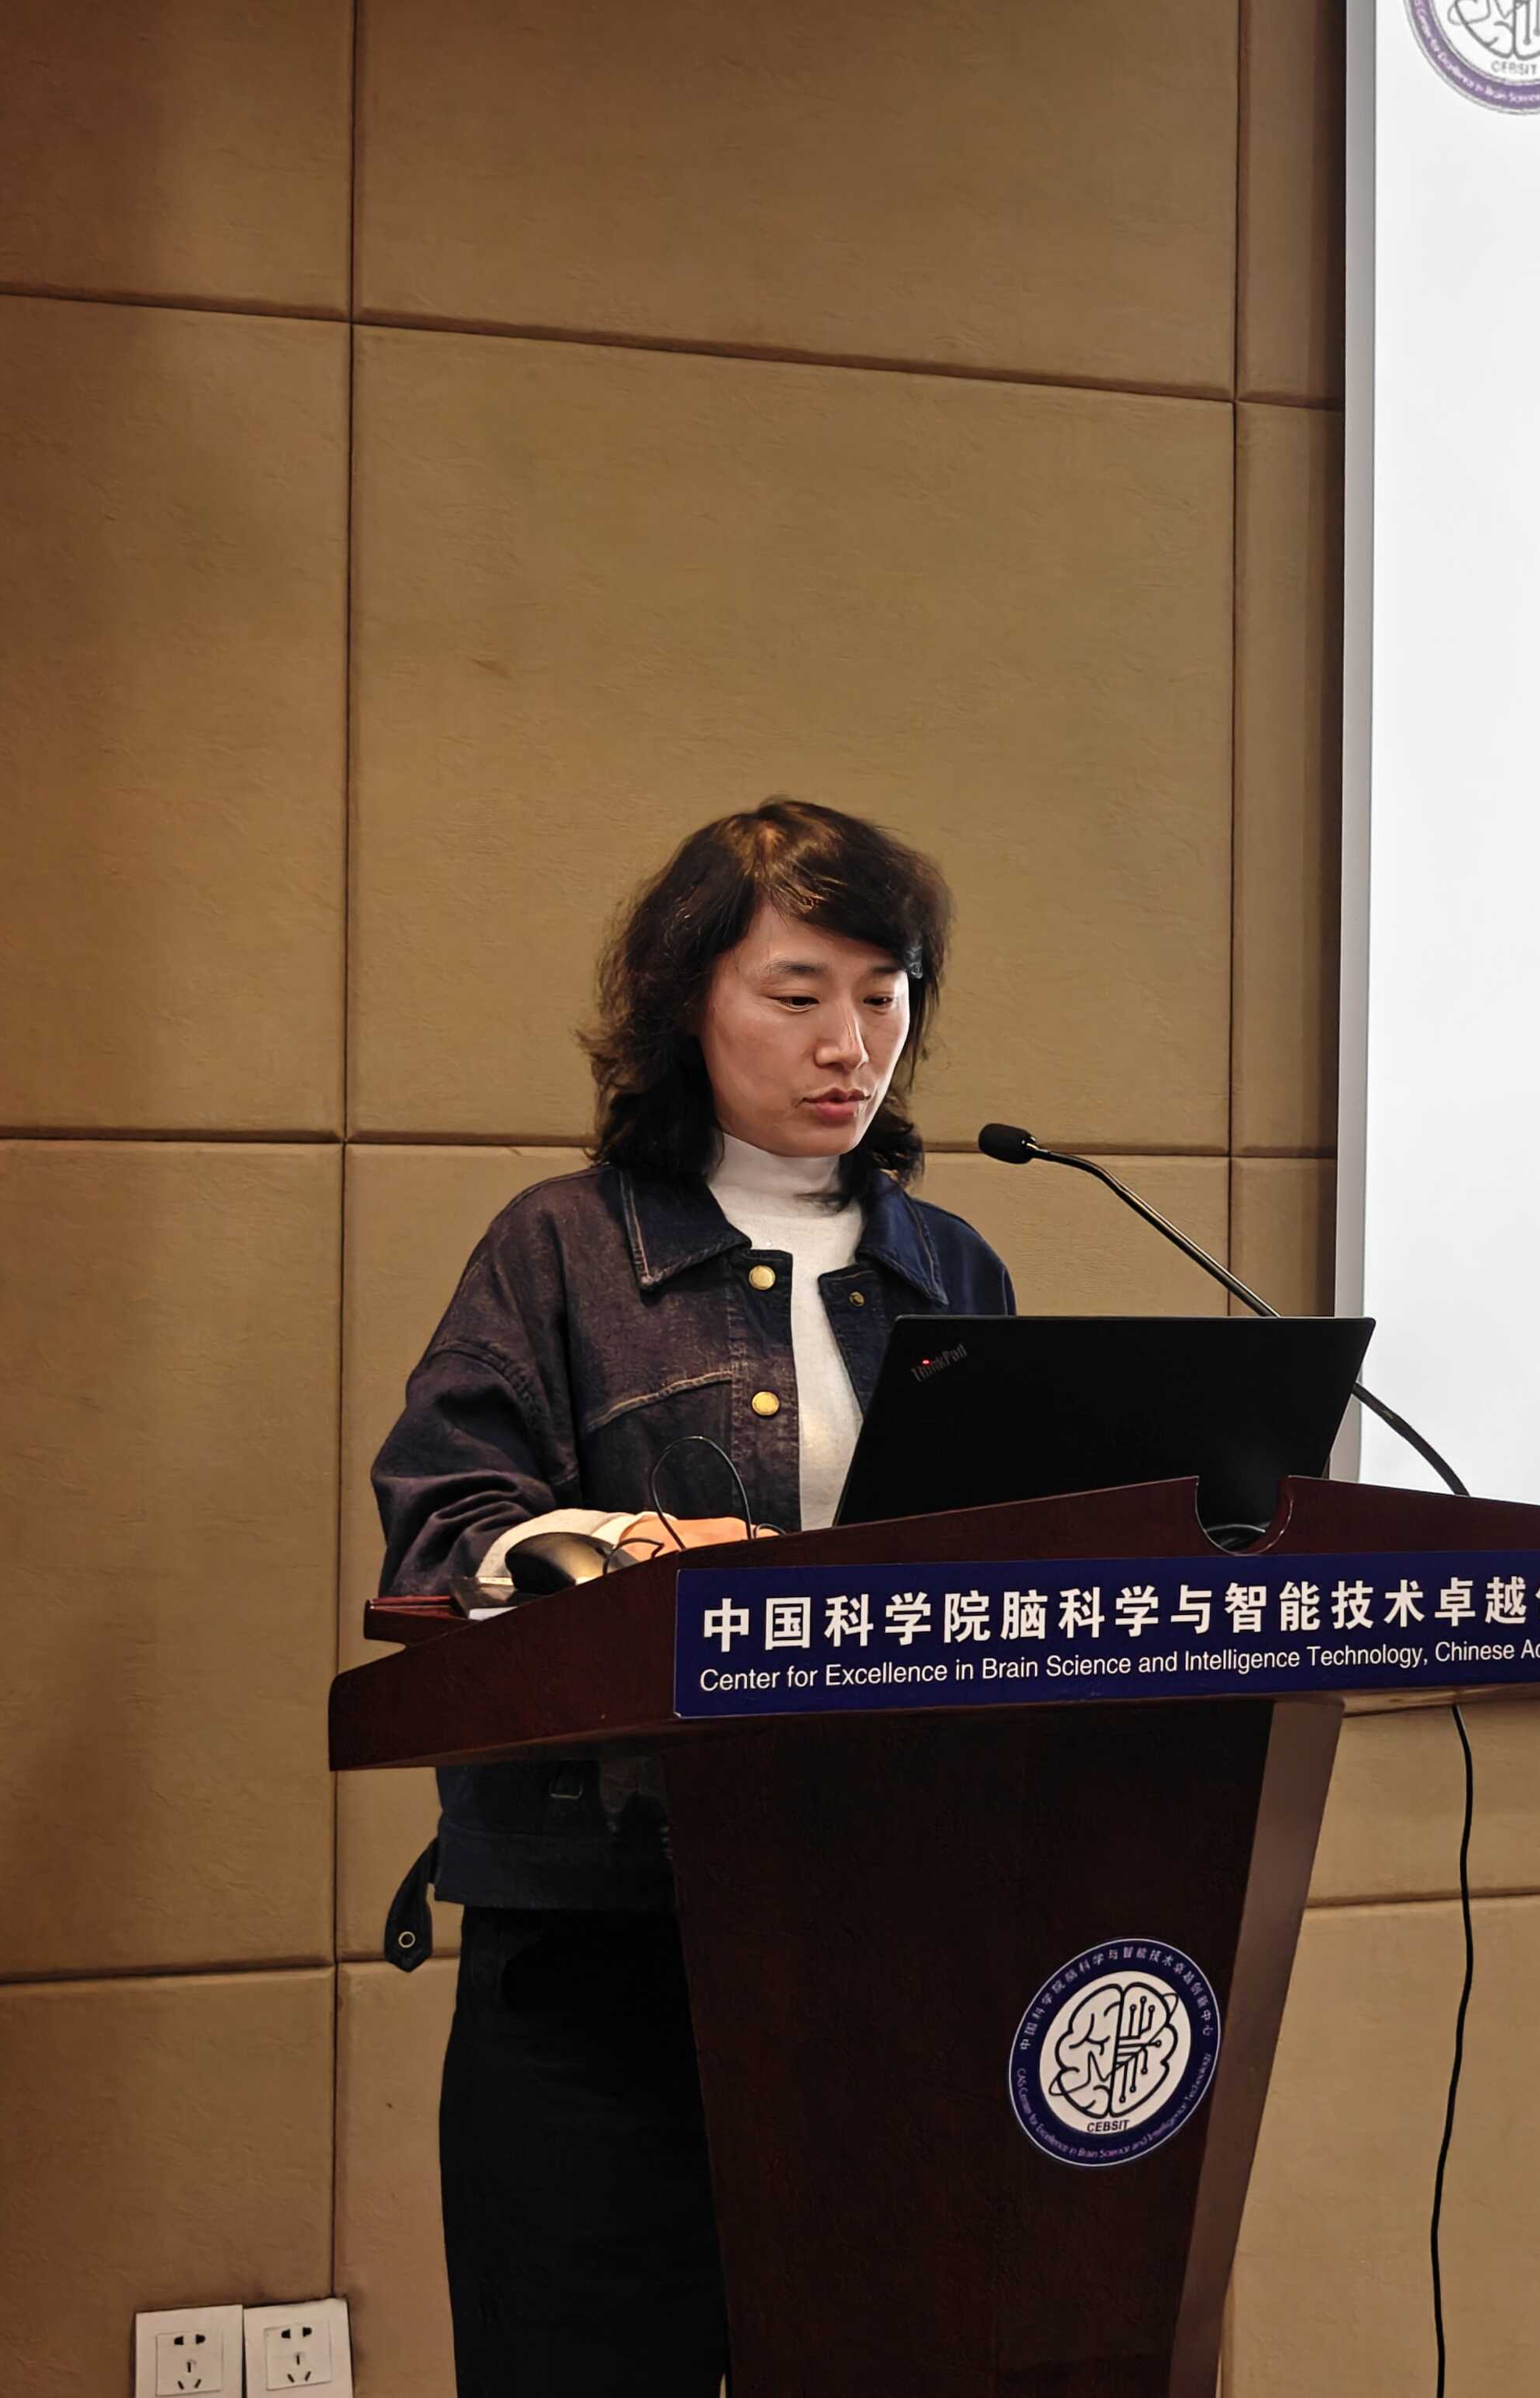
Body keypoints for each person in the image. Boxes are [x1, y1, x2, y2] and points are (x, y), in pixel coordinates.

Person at [370, 799, 1015, 2396]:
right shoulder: (562, 1251)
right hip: (605, 1949)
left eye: (883, 997)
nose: (849, 1045)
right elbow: (444, 1530)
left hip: (885, 1937)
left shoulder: (954, 1270)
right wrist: (623, 1552)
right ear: (684, 1005)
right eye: (797, 995)